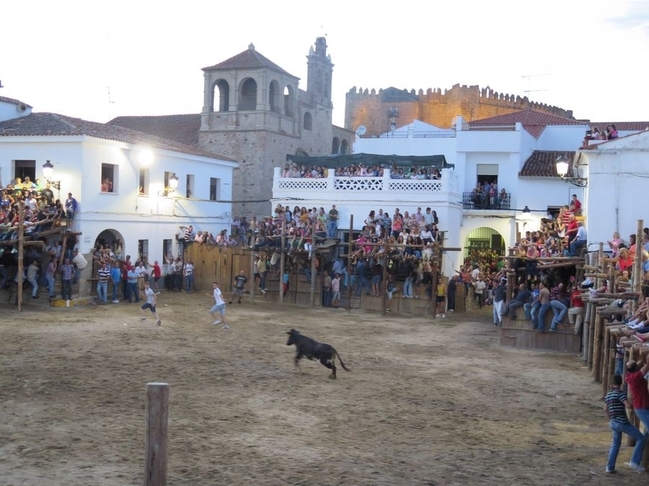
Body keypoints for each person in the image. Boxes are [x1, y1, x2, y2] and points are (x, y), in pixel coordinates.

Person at [603, 374, 646, 473]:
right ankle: (635, 461)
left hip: (613, 422)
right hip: (622, 422)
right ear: (621, 383)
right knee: (641, 438)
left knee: (615, 444)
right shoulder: (620, 393)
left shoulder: (608, 394)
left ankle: (609, 467)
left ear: (612, 383)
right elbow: (628, 406)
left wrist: (610, 417)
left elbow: (605, 409)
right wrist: (632, 403)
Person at [624, 355, 649, 441]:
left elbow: (638, 364)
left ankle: (639, 452)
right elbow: (647, 366)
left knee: (645, 435)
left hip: (642, 406)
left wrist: (642, 358)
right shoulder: (635, 377)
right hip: (641, 407)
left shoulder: (630, 375)